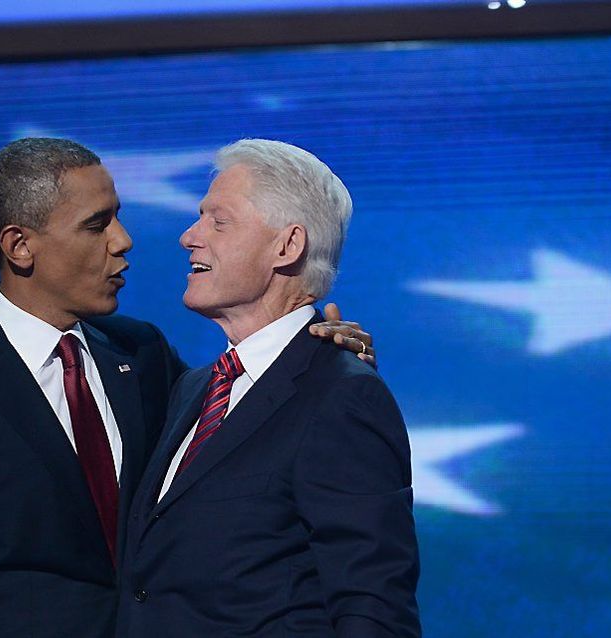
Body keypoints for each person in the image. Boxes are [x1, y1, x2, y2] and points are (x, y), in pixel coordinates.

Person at [0, 138, 376, 637]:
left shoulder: (142, 356)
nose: (123, 240)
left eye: (117, 216)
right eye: (95, 225)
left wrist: (319, 365)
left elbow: (246, 436)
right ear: (20, 246)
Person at [118, 139, 421, 637]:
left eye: (219, 221)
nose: (188, 237)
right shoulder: (194, 389)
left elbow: (373, 606)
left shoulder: (343, 395)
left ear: (288, 246)